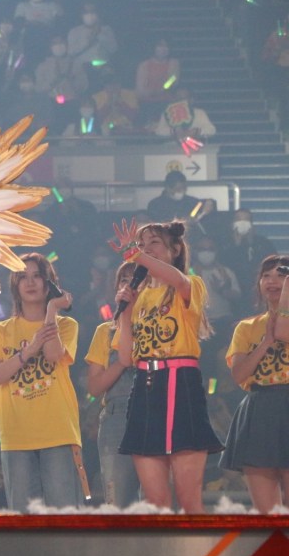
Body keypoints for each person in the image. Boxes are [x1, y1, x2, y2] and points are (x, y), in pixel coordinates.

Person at [110, 220, 223, 513]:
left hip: (180, 383)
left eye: (154, 243)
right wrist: (125, 313)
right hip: (144, 387)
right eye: (141, 244)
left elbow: (179, 281)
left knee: (189, 501)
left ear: (175, 249)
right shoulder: (139, 295)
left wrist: (136, 255)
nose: (145, 250)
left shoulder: (190, 284)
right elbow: (125, 358)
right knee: (156, 503)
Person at [0, 253, 83, 512]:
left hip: (58, 432)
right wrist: (29, 350)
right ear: (14, 285)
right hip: (16, 436)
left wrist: (51, 310)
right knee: (23, 519)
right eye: (23, 277)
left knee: (63, 515)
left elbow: (53, 354)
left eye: (37, 275)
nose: (30, 282)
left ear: (49, 283)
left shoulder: (67, 325)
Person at [220, 255, 289, 512]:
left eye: (281, 275)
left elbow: (283, 331)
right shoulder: (247, 327)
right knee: (267, 515)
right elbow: (238, 375)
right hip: (260, 410)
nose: (272, 281)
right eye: (266, 275)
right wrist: (265, 343)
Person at [84, 262, 139, 507]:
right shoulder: (105, 332)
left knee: (156, 501)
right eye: (123, 280)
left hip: (157, 411)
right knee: (117, 500)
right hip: (117, 417)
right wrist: (122, 362)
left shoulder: (161, 326)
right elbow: (94, 387)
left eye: (136, 280)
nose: (129, 286)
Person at [219, 209, 277, 316]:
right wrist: (236, 246)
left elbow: (272, 263)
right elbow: (223, 265)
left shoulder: (263, 243)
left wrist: (251, 243)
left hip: (257, 294)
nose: (242, 222)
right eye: (238, 219)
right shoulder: (224, 244)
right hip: (233, 297)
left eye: (246, 219)